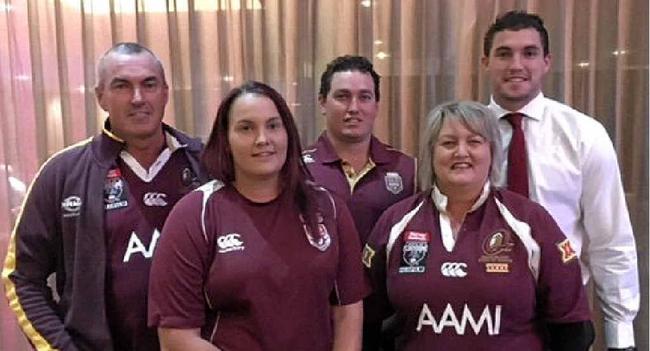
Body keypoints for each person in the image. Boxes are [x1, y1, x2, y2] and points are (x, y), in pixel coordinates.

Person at [1, 42, 207, 351]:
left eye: (149, 84)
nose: (138, 98)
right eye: (122, 86)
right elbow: (22, 278)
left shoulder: (207, 164)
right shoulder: (62, 173)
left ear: (165, 92)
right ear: (101, 97)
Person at [148, 80, 369, 351]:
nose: (262, 139)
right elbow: (176, 337)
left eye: (273, 126)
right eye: (246, 128)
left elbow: (347, 312)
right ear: (226, 141)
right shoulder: (194, 215)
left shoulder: (328, 208)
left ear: (288, 133)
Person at [363, 100, 594, 350]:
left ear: (492, 151)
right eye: (448, 143)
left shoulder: (530, 221)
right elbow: (365, 321)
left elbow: (573, 327)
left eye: (474, 142)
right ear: (431, 153)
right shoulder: (396, 221)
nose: (461, 152)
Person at [481, 10, 639, 350]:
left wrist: (620, 335)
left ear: (547, 62)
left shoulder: (584, 135)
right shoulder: (467, 137)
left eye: (530, 53)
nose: (516, 65)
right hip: (480, 313)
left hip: (562, 316)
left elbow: (610, 241)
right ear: (486, 62)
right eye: (504, 53)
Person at [302, 55, 416, 350]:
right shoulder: (295, 171)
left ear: (376, 105)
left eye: (364, 97)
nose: (354, 108)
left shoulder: (408, 170)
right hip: (317, 321)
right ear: (322, 102)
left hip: (389, 323)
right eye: (342, 96)